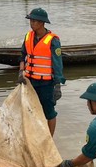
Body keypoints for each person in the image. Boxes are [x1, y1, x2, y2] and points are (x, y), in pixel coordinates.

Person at [18, 8, 65, 136]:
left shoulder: (53, 40)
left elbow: (57, 64)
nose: (31, 23)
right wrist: (21, 71)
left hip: (46, 83)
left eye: (34, 21)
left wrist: (57, 85)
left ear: (42, 23)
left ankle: (49, 139)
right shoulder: (28, 36)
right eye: (31, 20)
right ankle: (34, 136)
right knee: (30, 109)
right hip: (30, 81)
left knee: (49, 111)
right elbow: (23, 55)